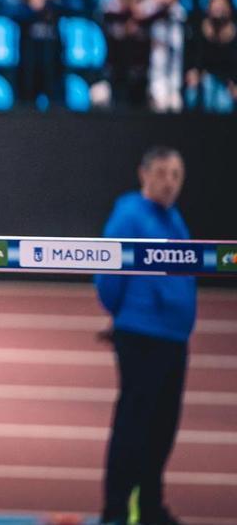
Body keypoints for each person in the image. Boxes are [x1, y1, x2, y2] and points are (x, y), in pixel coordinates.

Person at [95, 146, 193, 525]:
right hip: (141, 336)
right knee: (134, 426)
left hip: (174, 338)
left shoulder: (174, 218)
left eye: (177, 175)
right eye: (164, 173)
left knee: (163, 428)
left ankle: (150, 506)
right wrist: (122, 317)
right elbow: (108, 276)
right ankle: (116, 511)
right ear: (144, 174)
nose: (170, 182)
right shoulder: (129, 214)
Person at [185, 0, 237, 114]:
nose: (218, 5)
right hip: (204, 77)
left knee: (223, 104)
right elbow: (191, 56)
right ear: (208, 7)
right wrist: (193, 72)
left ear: (230, 8)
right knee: (193, 96)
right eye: (214, 1)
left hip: (227, 80)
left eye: (223, 2)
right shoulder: (197, 28)